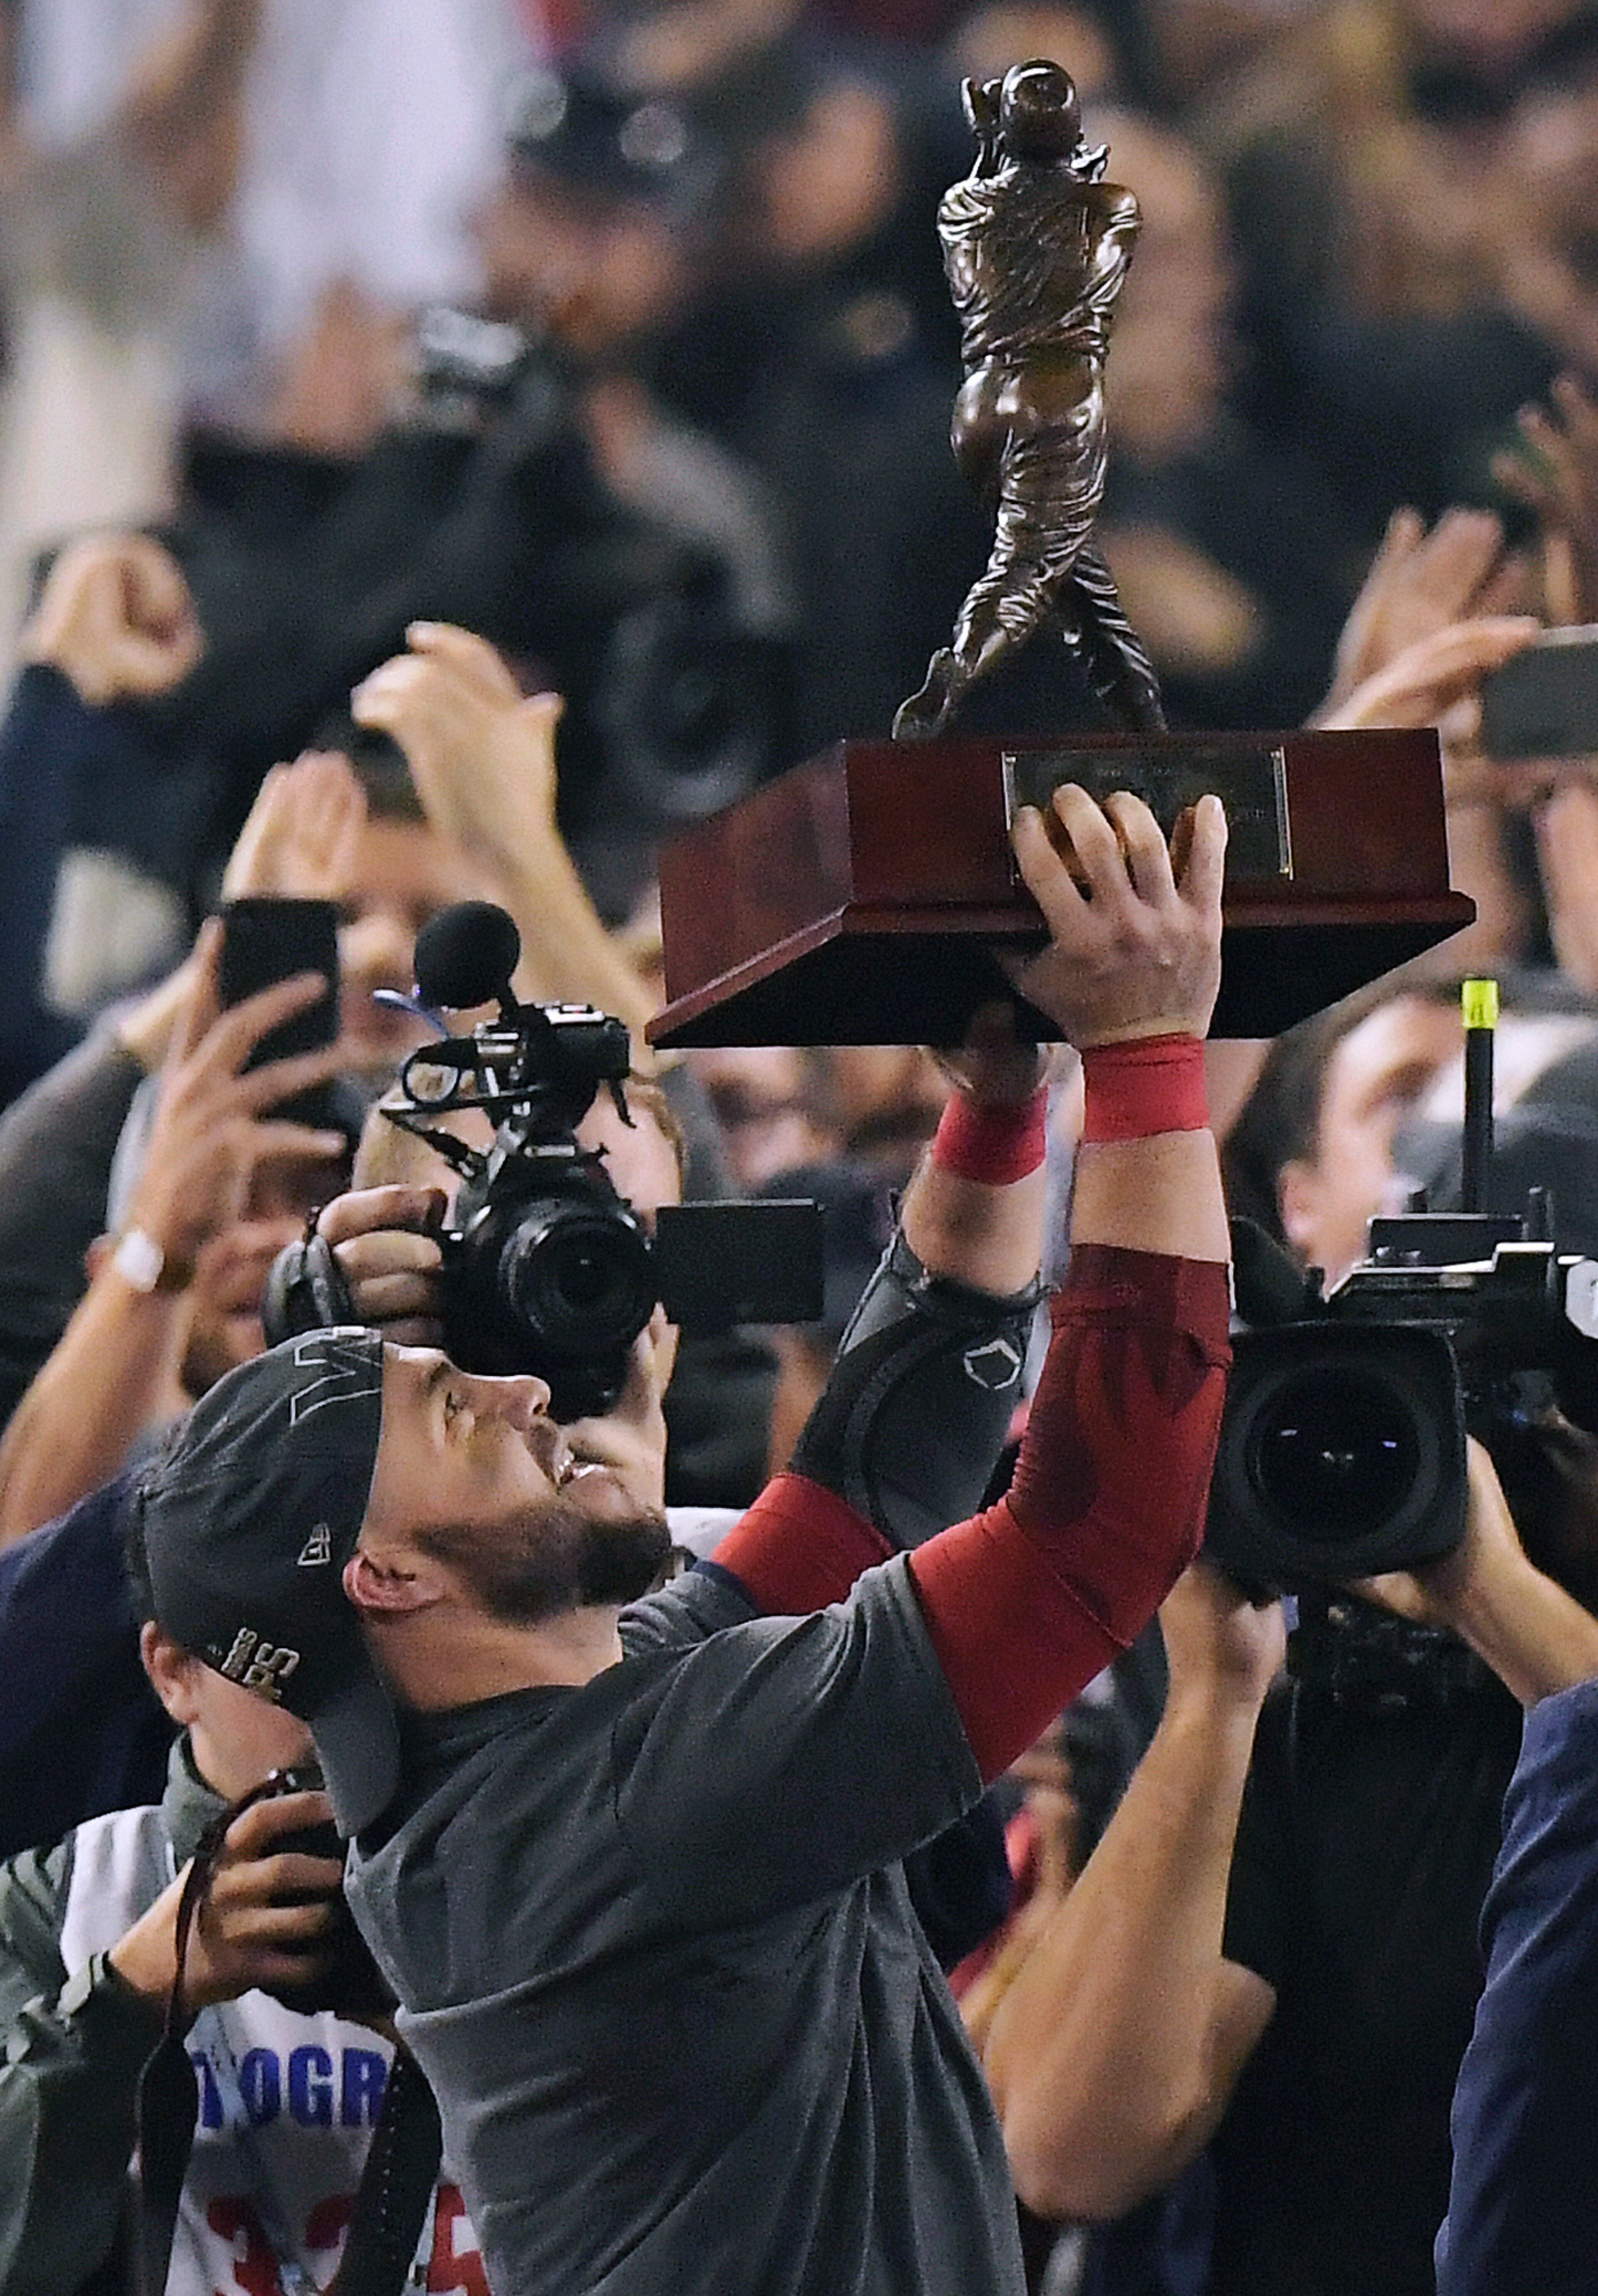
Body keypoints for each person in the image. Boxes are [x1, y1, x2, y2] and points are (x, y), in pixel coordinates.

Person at [133, 782, 1233, 2296]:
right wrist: (1150, 1051)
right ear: (386, 1576)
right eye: (458, 1406)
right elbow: (1099, 1534)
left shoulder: (531, 1750)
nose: (529, 1387)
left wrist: (999, 1102)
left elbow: (868, 1486)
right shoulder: (622, 1807)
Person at [0, 1513, 489, 2296]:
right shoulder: (70, 1897)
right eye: (290, 1652)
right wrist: (127, 2002)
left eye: (377, 1630)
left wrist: (466, 2034)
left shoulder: (541, 1850)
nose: (349, 1694)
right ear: (172, 1670)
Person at [893, 59, 1166, 740]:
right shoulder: (1111, 205)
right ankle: (959, 666)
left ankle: (1144, 721)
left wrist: (993, 147)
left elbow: (997, 209)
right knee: (1028, 568)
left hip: (980, 405)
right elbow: (1085, 235)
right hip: (1059, 394)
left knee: (1075, 576)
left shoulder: (962, 209)